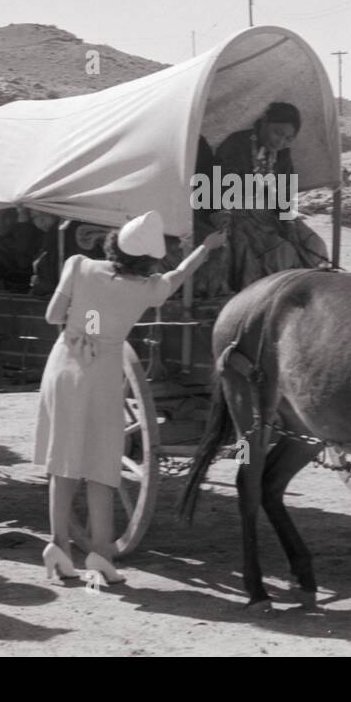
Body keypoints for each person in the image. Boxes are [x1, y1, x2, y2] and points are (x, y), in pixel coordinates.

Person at [35, 211, 227, 583]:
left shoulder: (78, 266)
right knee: (101, 467)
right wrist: (206, 246)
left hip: (65, 367)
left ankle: (58, 546)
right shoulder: (148, 288)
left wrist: (85, 323)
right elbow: (179, 275)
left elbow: (52, 315)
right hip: (103, 375)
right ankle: (101, 554)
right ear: (149, 257)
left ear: (114, 242)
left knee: (64, 462)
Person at [210, 102, 329, 291]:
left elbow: (285, 193)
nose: (280, 142)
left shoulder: (282, 155)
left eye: (288, 138)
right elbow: (219, 186)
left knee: (316, 246)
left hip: (270, 214)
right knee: (282, 252)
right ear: (264, 122)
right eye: (278, 132)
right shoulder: (236, 144)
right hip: (237, 214)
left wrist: (288, 223)